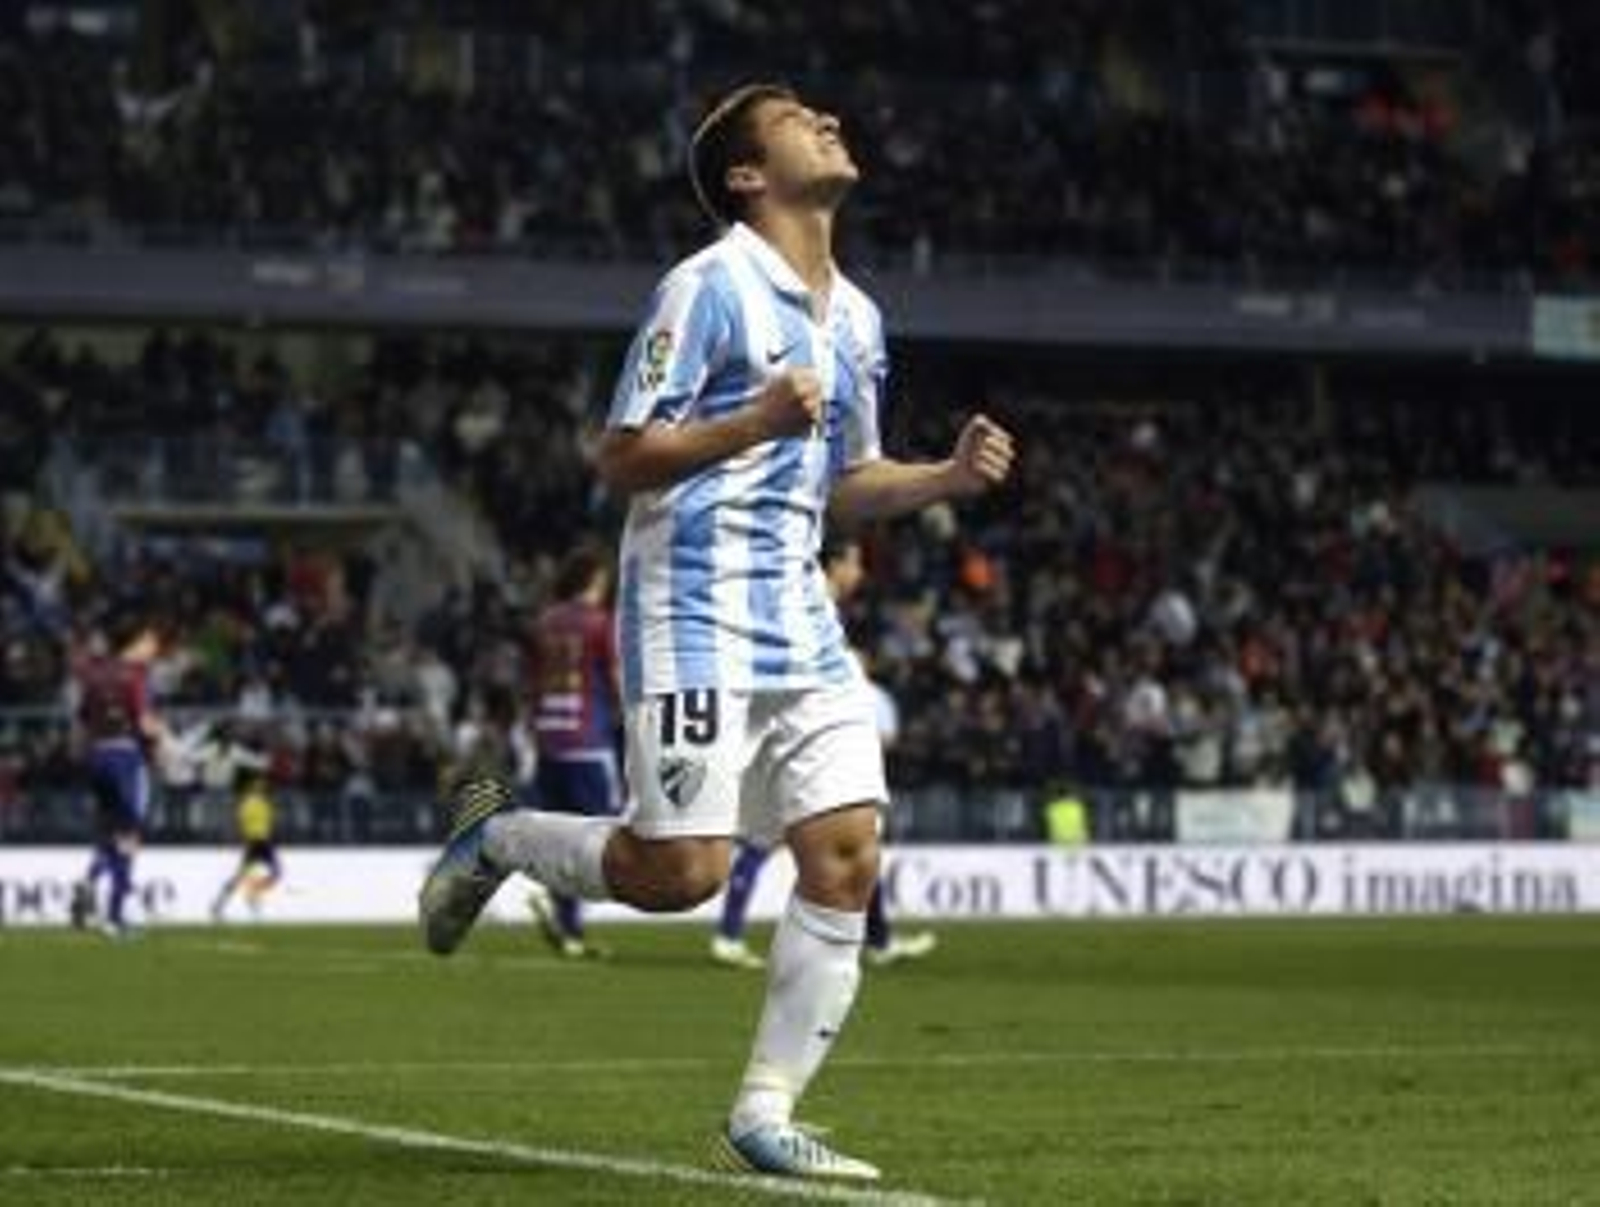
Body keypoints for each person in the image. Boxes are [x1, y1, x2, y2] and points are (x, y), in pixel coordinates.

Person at [418, 81, 1016, 1183]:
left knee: (847, 854)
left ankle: (764, 1113)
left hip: (801, 617)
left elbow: (845, 482)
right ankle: (496, 837)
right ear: (747, 176)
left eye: (825, 114)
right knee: (679, 873)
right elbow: (621, 455)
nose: (827, 121)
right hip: (690, 609)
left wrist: (944, 477)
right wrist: (753, 420)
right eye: (795, 121)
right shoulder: (704, 288)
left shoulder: (859, 317)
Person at [710, 537, 937, 971]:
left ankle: (877, 940)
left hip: (794, 736)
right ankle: (731, 937)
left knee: (850, 839)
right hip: (797, 739)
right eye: (855, 563)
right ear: (834, 565)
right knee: (780, 840)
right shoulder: (810, 603)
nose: (860, 573)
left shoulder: (816, 606)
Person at [523, 543, 623, 959]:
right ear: (597, 578)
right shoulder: (601, 623)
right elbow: (616, 677)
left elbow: (531, 682)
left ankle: (570, 932)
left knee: (562, 834)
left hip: (549, 741)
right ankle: (554, 899)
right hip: (588, 743)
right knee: (602, 838)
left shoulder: (545, 621)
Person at [69, 609, 166, 938]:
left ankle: (91, 880)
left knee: (110, 833)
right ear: (134, 642)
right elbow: (145, 723)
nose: (153, 649)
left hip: (97, 757)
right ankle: (115, 916)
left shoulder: (94, 675)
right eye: (149, 642)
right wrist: (168, 741)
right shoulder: (135, 677)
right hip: (125, 758)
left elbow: (81, 723)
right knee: (128, 838)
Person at [210, 771, 282, 921]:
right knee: (272, 873)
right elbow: (243, 822)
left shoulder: (261, 803)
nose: (264, 789)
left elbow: (267, 822)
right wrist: (245, 835)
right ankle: (226, 902)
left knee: (267, 874)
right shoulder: (252, 803)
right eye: (261, 787)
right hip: (257, 843)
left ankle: (227, 901)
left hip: (261, 842)